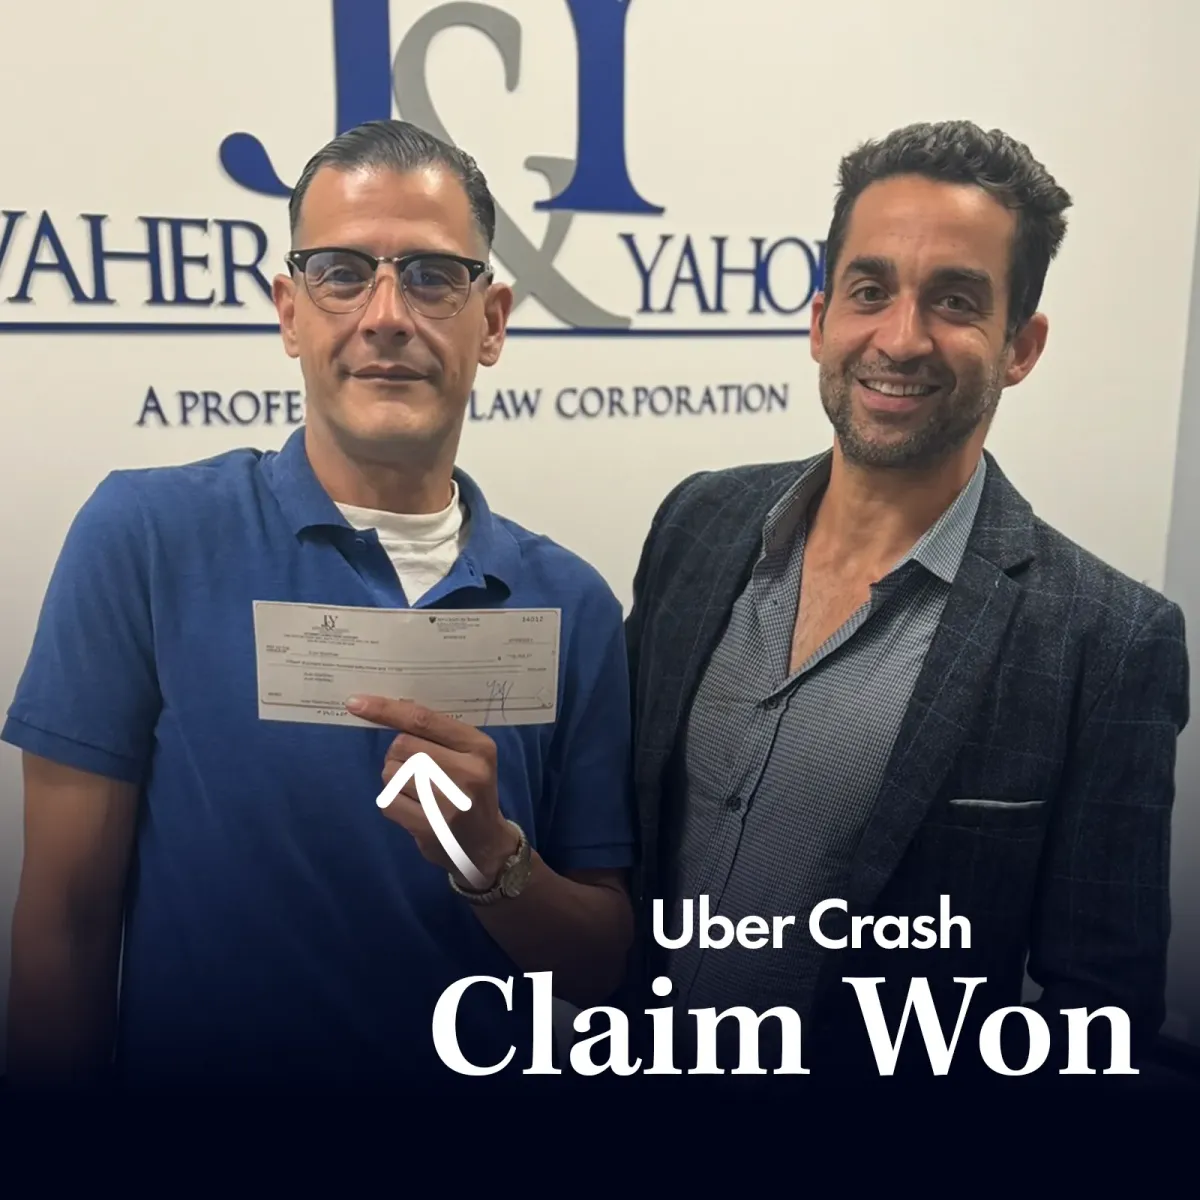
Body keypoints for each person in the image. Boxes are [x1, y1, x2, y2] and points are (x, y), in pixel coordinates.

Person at [3, 119, 634, 1094]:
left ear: (493, 321)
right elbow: (63, 925)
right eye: (343, 273)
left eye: (432, 276)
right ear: (290, 312)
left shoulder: (573, 605)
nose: (386, 315)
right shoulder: (145, 539)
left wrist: (491, 860)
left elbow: (600, 975)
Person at [623, 120, 1190, 1084]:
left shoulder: (1109, 638)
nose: (900, 338)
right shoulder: (698, 523)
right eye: (870, 290)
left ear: (1021, 346)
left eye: (955, 300)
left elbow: (1100, 1018)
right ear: (820, 319)